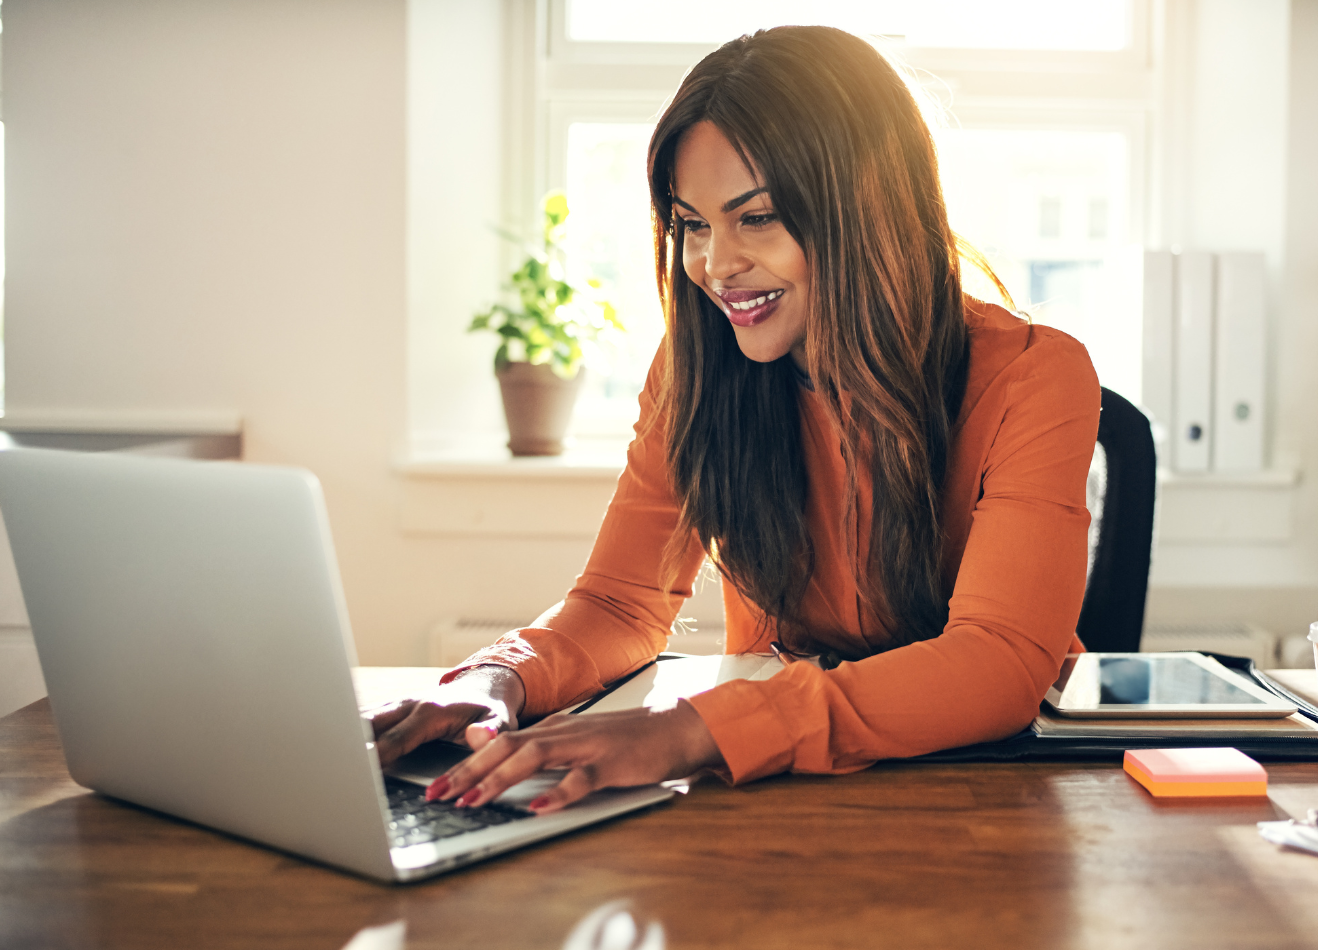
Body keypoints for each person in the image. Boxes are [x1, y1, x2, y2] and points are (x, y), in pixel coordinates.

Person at [366, 25, 1100, 814]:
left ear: (869, 207)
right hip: (774, 790)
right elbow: (620, 603)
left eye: (757, 218)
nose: (714, 265)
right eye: (690, 224)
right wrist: (495, 678)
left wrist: (686, 733)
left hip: (989, 793)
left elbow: (995, 665)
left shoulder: (1035, 375)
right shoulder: (696, 372)